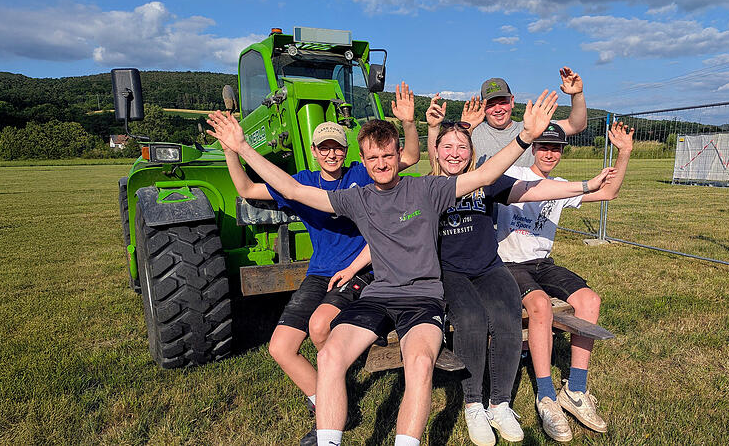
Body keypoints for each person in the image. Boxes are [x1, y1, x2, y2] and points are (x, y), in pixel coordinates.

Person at [207, 85, 561, 446]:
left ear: (398, 155)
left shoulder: (426, 189)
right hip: (377, 295)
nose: (381, 163)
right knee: (329, 355)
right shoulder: (356, 198)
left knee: (420, 364)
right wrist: (242, 147)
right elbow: (293, 190)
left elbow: (484, 177)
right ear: (363, 160)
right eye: (373, 158)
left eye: (388, 155)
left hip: (422, 298)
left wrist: (524, 136)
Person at [220, 83, 420, 446]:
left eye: (337, 147)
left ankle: (333, 401)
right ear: (314, 152)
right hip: (319, 272)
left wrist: (408, 124)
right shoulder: (302, 183)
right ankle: (328, 401)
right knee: (280, 347)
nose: (331, 153)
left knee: (319, 325)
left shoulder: (360, 175)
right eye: (324, 148)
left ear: (346, 150)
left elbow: (408, 157)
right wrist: (231, 150)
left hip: (361, 268)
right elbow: (247, 190)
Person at [425, 106, 614, 446]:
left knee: (508, 316)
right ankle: (473, 405)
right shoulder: (428, 187)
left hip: (489, 267)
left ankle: (500, 404)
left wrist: (586, 185)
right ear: (436, 151)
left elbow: (535, 191)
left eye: (462, 147)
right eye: (447, 147)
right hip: (451, 271)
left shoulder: (486, 181)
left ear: (471, 152)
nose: (454, 153)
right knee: (470, 318)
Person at [495, 121, 634, 442]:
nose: (549, 153)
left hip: (542, 263)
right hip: (509, 263)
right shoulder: (515, 174)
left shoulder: (560, 185)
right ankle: (546, 396)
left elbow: (609, 192)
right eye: (543, 146)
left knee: (590, 300)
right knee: (540, 305)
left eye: (555, 148)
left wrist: (624, 152)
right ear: (533, 148)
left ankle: (575, 389)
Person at [427, 68, 586, 168]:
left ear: (512, 101)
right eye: (491, 104)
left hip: (525, 208)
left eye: (502, 102)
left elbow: (576, 125)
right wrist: (434, 127)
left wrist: (577, 95)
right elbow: (438, 163)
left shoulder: (531, 127)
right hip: (487, 210)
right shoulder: (471, 132)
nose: (498, 109)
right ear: (483, 106)